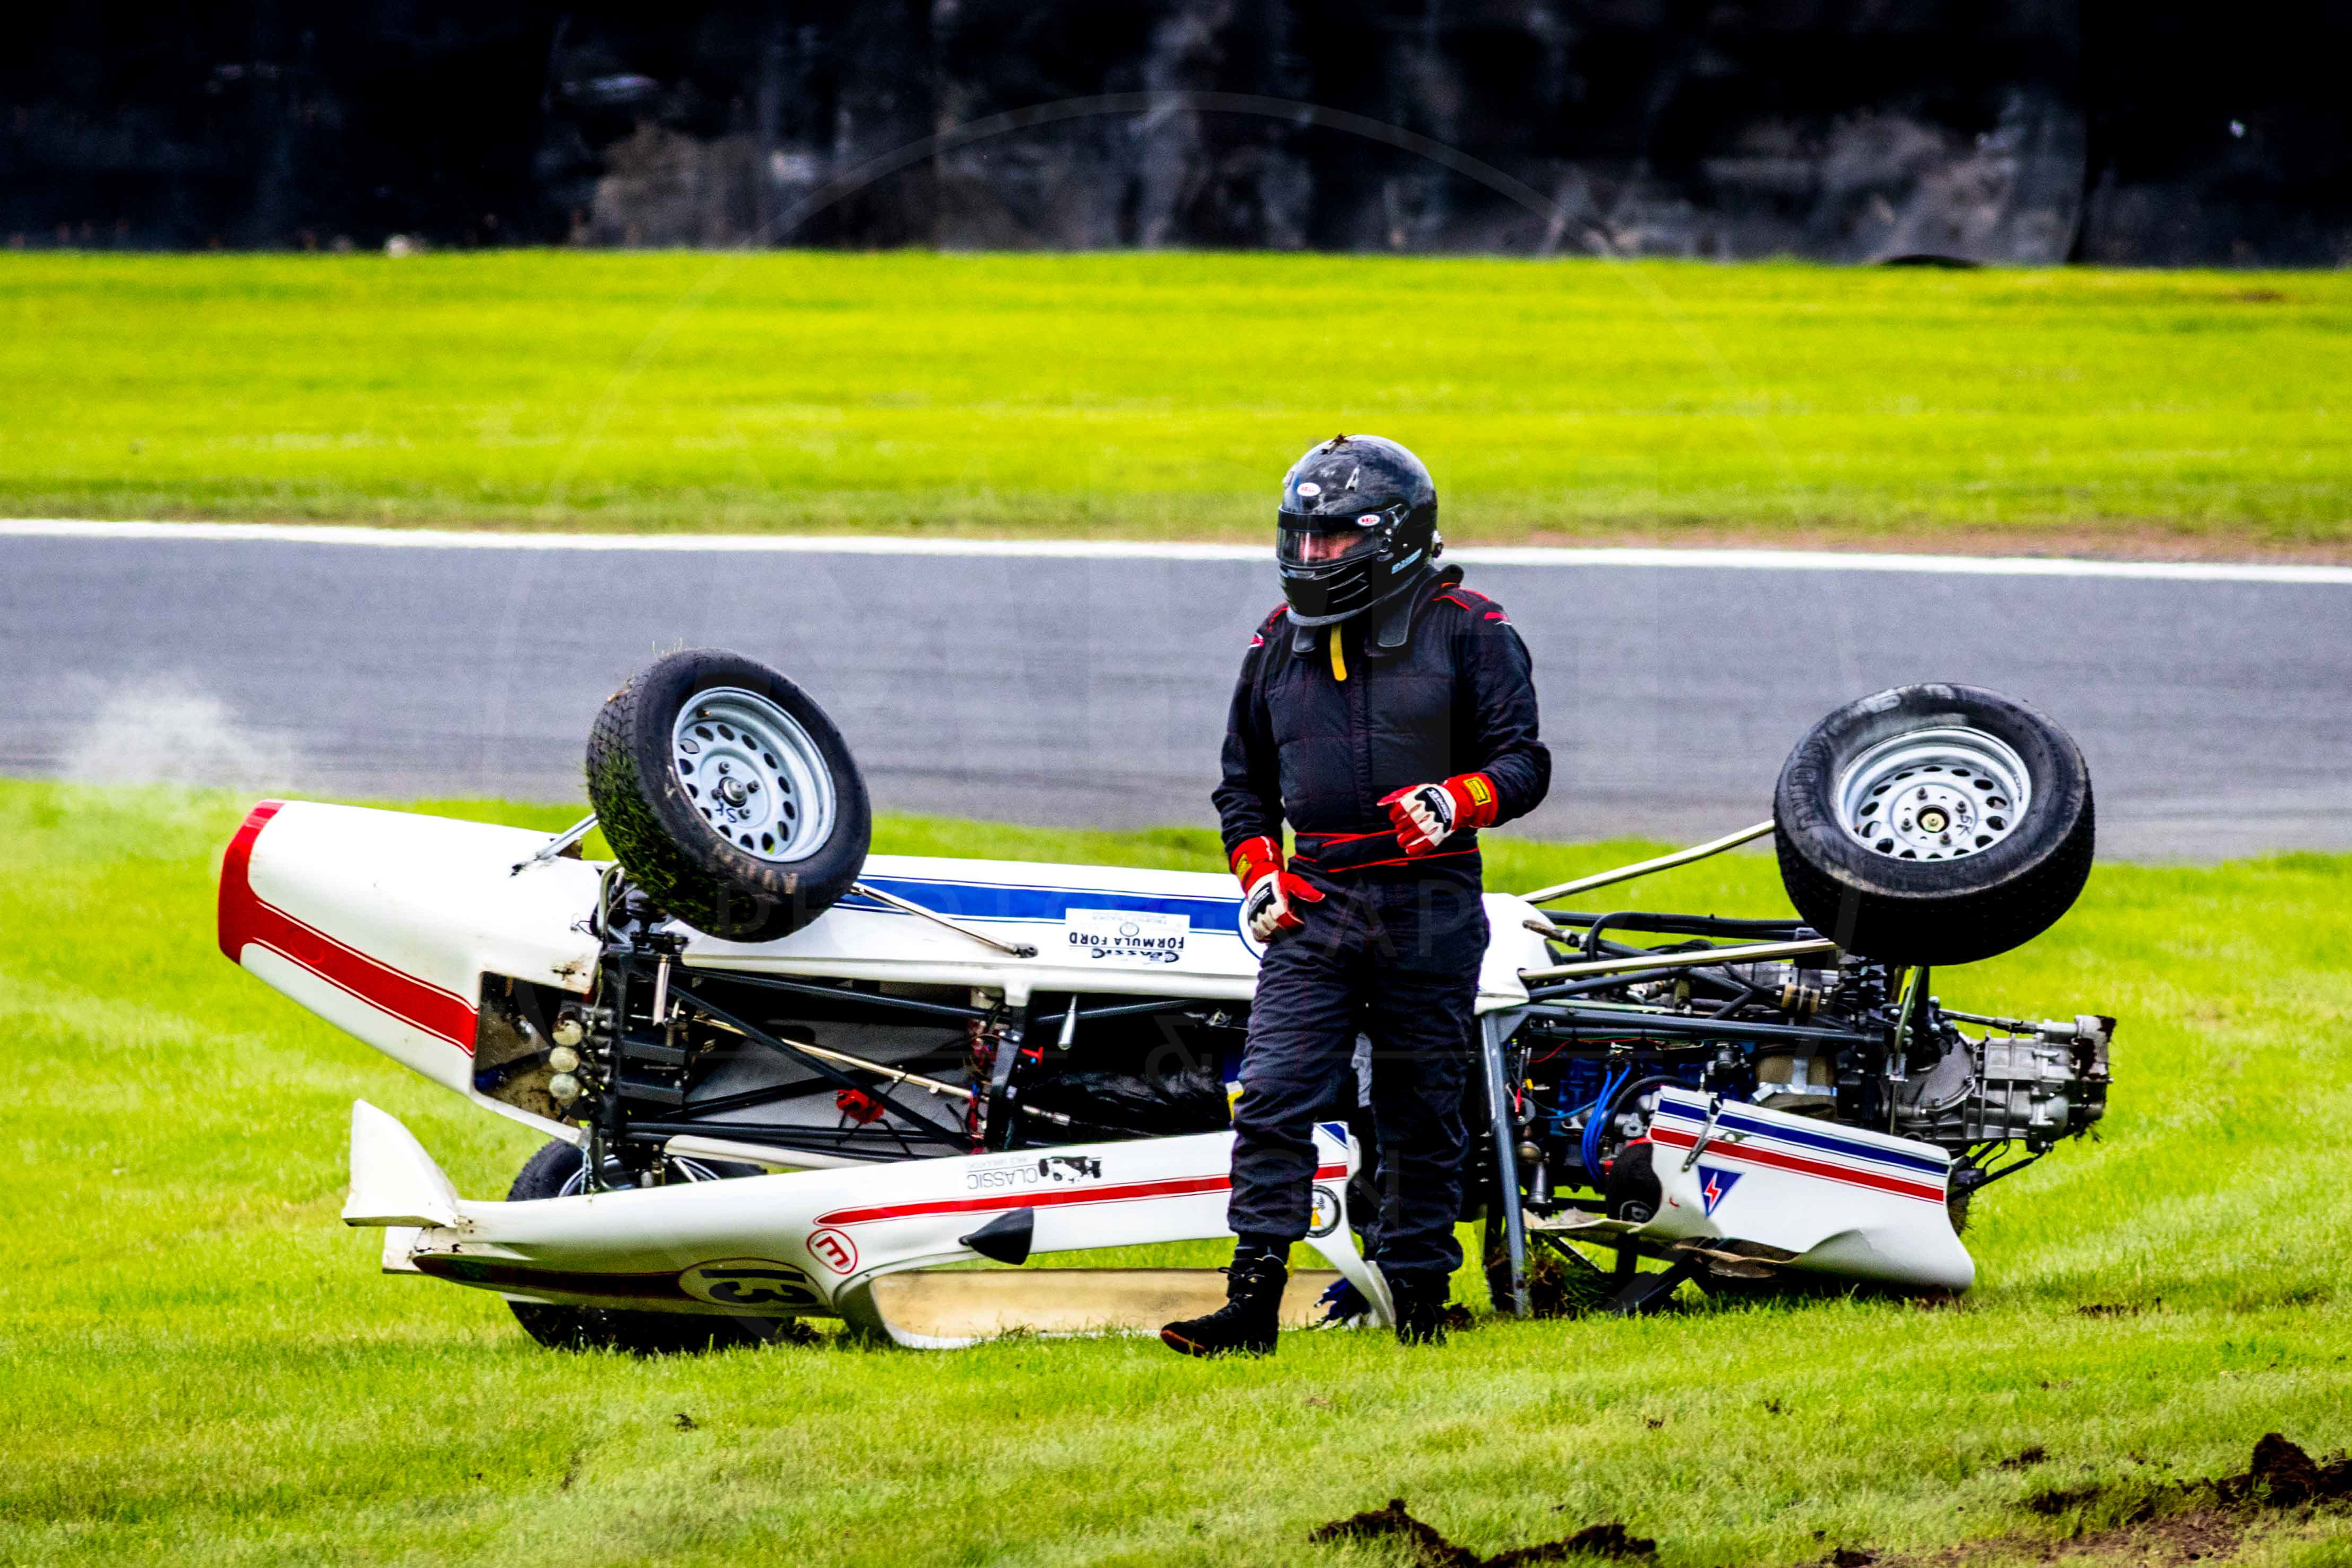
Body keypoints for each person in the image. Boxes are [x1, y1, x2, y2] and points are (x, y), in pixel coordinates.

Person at [1160, 433, 1550, 1357]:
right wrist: (1260, 875)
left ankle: (1419, 1305)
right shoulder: (1271, 643)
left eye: (1333, 541)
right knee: (1272, 1096)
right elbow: (1242, 787)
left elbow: (1524, 764)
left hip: (1432, 904)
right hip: (1317, 903)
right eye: (1300, 538)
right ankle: (1251, 1307)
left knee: (1421, 1109)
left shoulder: (1475, 630)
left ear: (1396, 536)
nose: (1311, 557)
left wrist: (1458, 802)